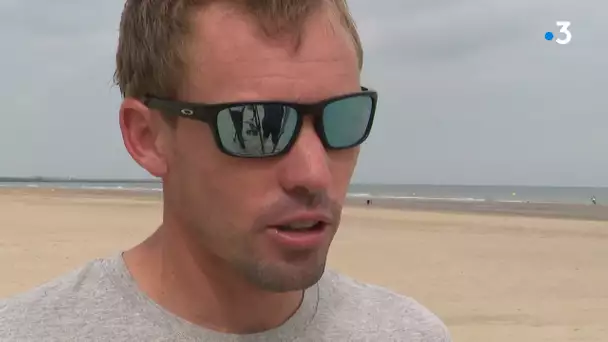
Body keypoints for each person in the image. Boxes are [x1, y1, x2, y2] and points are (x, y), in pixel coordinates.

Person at [0, 0, 451, 341]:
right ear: (147, 137)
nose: (313, 173)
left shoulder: (408, 332)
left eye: (342, 118)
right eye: (257, 127)